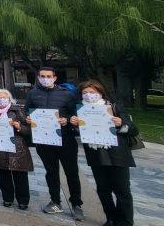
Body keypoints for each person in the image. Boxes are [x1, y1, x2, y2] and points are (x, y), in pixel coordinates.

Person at [69, 80, 138, 226]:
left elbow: (133, 129)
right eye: (85, 93)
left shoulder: (113, 107)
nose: (89, 95)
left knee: (122, 190)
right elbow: (80, 132)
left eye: (92, 92)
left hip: (117, 154)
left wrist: (121, 123)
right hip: (96, 154)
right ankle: (111, 218)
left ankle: (125, 221)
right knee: (103, 190)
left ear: (100, 93)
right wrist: (74, 125)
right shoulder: (81, 110)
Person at [25, 67, 84, 220]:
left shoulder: (66, 95)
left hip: (65, 139)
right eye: (43, 76)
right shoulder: (33, 94)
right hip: (44, 141)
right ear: (38, 77)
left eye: (49, 76)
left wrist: (68, 120)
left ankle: (76, 204)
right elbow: (27, 112)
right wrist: (28, 119)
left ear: (55, 78)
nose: (46, 78)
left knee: (72, 173)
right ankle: (55, 201)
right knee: (51, 172)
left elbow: (75, 115)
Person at [0, 89, 33, 210]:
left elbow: (29, 130)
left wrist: (19, 127)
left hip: (17, 148)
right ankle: (7, 198)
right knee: (3, 175)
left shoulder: (18, 110)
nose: (2, 100)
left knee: (20, 176)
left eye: (4, 97)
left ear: (9, 99)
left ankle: (23, 200)